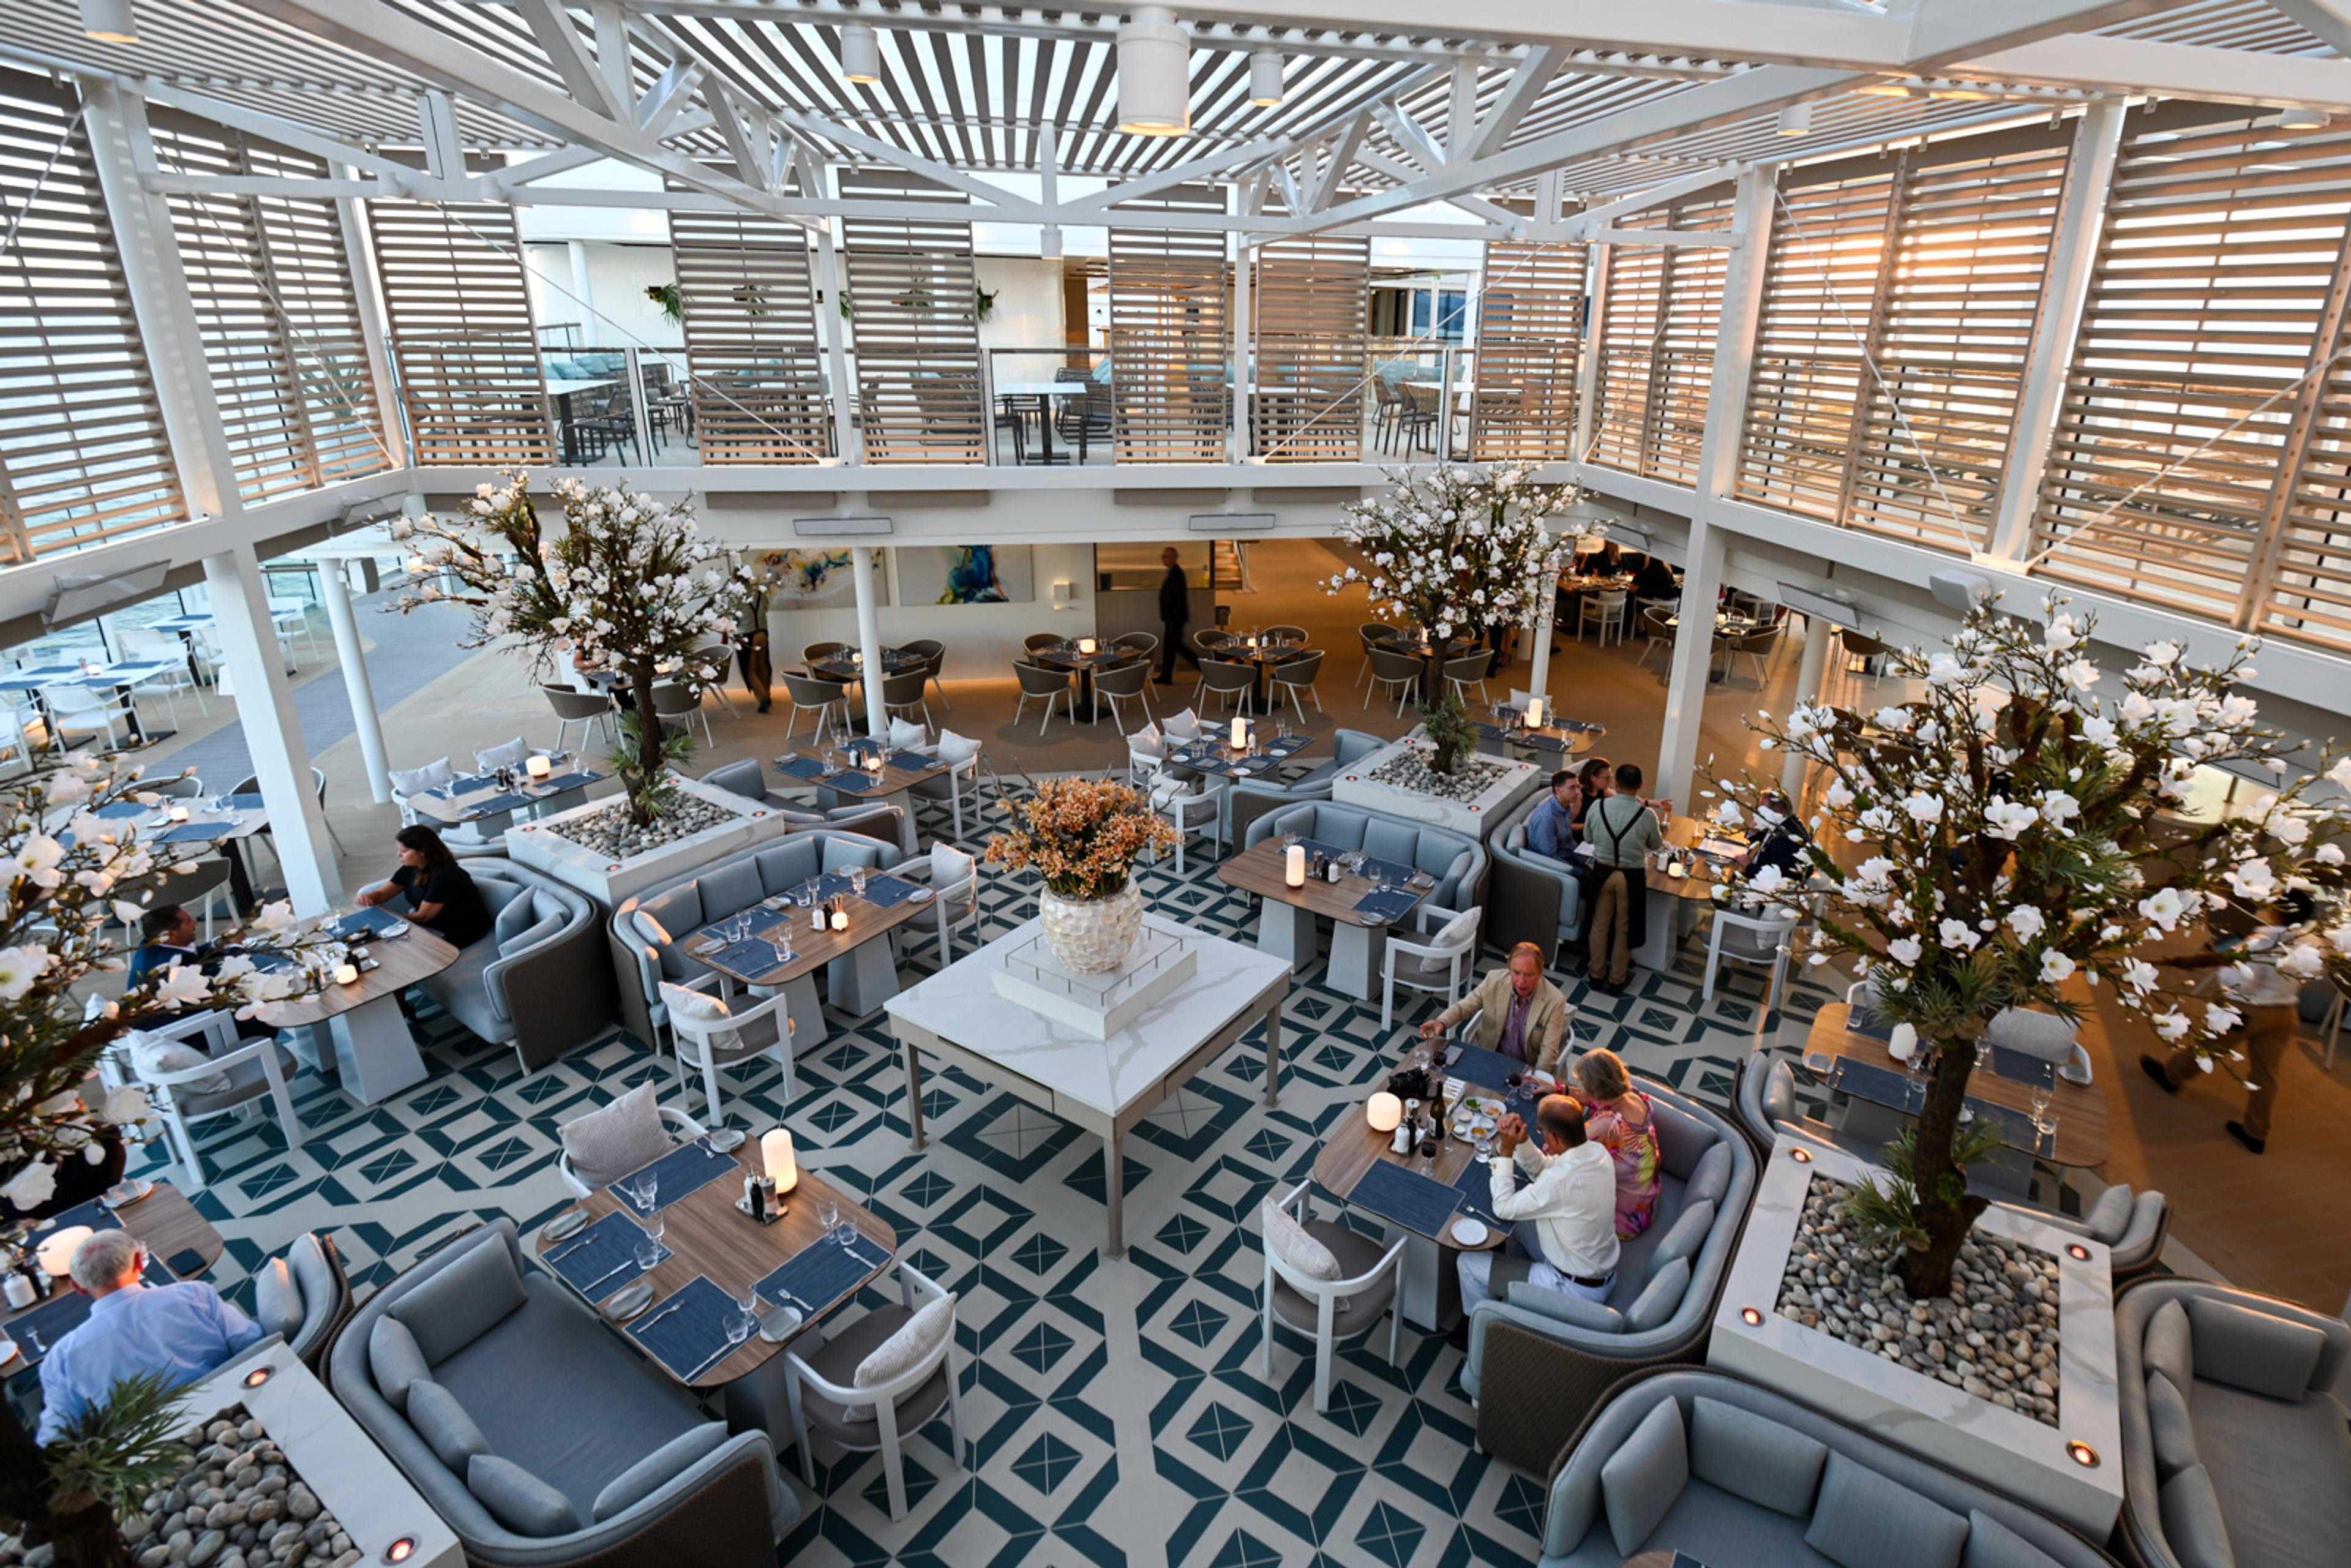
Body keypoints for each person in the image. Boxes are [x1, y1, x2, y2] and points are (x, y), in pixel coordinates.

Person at [36, 1229, 263, 1444]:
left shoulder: (61, 1359)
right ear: (138, 1262)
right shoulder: (194, 1296)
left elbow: (57, 1436)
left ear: (78, 1288)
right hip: (235, 1413)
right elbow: (252, 1343)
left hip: (148, 1452)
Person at [1455, 1093, 1619, 1322]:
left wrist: (1506, 1153)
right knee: (1518, 1223)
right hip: (1590, 1264)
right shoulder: (1597, 1153)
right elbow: (1547, 1172)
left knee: (1467, 1263)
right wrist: (1522, 1143)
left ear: (1553, 1137)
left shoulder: (1561, 1182)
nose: (1539, 1134)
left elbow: (1503, 1207)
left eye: (1540, 1131)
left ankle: (1483, 1324)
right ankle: (1513, 1286)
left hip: (1571, 1288)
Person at [2140, 926, 2301, 1154]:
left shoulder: (2262, 940)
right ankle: (2256, 1133)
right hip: (2285, 1013)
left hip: (2249, 1010)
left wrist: (2218, 962)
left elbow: (2238, 978)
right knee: (2266, 1074)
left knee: (2208, 1048)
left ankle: (2171, 1077)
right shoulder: (2307, 943)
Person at [126, 905, 276, 1040]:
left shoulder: (152, 945)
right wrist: (235, 947)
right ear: (170, 935)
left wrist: (222, 942)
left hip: (177, 1016)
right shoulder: (171, 968)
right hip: (189, 1030)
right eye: (188, 921)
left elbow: (193, 956)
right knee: (268, 1020)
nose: (195, 922)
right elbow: (220, 979)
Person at [1581, 762, 1668, 993]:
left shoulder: (1598, 807)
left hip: (1602, 873)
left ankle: (1596, 974)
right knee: (1624, 928)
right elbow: (1656, 845)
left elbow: (1588, 838)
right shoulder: (1646, 814)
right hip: (1631, 876)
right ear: (1640, 786)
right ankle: (1617, 979)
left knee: (1599, 925)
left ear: (1616, 784)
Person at [1420, 942, 1571, 1075]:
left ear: (1540, 973)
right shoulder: (1494, 979)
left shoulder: (1555, 1001)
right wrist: (1441, 1022)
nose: (1521, 981)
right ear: (1509, 969)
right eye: (1516, 973)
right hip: (1488, 1057)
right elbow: (1463, 1007)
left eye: (1529, 975)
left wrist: (1535, 1080)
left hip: (1526, 1067)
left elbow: (1548, 1054)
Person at [1575, 1048, 1662, 1237]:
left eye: (1583, 1084)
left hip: (1624, 1220)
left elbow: (1567, 1147)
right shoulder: (1633, 1095)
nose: (1580, 1088)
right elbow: (1595, 1101)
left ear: (1594, 1089)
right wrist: (1560, 1089)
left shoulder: (1608, 1124)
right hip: (1646, 1202)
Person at [357, 825, 491, 948]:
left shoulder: (445, 876)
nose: (399, 855)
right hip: (431, 925)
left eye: (404, 851)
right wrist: (369, 898)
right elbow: (382, 894)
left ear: (423, 852)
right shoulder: (411, 868)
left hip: (458, 930)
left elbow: (423, 916)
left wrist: (390, 922)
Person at [1739, 790, 1812, 879]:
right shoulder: (1784, 821)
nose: (1758, 812)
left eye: (1761, 809)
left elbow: (1778, 878)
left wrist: (1748, 866)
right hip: (1758, 871)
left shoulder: (1785, 839)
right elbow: (1756, 838)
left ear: (1777, 811)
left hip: (1764, 885)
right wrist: (1752, 831)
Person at [1155, 547, 1199, 686]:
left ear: (1174, 558)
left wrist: (1172, 618)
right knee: (1172, 648)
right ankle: (1166, 676)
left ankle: (1206, 669)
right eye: (1163, 556)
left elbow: (1178, 599)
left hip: (1175, 619)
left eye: (1165, 556)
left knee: (1177, 648)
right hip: (1172, 618)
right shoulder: (1173, 573)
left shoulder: (1176, 574)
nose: (1163, 559)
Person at [1525, 770, 1581, 863]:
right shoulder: (1546, 818)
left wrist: (1585, 862)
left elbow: (1569, 842)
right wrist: (1580, 872)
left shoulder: (1566, 807)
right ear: (1558, 789)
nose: (1578, 792)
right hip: (1554, 867)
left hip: (1567, 856)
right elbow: (1550, 857)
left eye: (1578, 787)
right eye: (1572, 788)